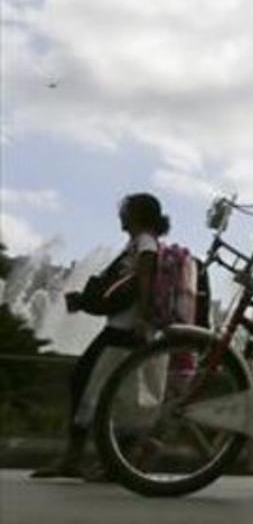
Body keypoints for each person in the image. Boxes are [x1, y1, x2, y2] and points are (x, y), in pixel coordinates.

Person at [31, 193, 168, 479]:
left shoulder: (145, 242)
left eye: (125, 210)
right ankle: (111, 457)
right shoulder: (137, 242)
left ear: (137, 215)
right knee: (110, 392)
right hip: (121, 328)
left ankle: (87, 457)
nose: (120, 215)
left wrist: (142, 319)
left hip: (124, 330)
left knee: (92, 385)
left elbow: (145, 278)